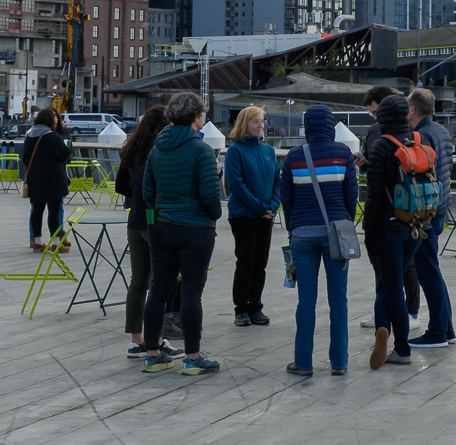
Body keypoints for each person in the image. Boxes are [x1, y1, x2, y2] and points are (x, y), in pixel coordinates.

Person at [141, 93, 222, 375]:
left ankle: (153, 354)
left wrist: (162, 211)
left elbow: (147, 193)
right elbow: (211, 195)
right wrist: (213, 215)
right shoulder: (201, 150)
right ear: (196, 117)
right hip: (195, 229)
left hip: (161, 227)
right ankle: (192, 357)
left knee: (158, 290)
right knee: (191, 293)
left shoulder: (156, 149)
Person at [281, 104, 356, 377]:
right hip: (336, 233)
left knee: (306, 301)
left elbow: (286, 199)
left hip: (302, 234)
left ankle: (303, 363)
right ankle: (339, 362)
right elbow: (352, 196)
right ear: (331, 125)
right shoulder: (343, 154)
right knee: (339, 299)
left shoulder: (294, 157)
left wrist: (293, 228)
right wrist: (344, 221)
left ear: (306, 125)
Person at [363, 93, 425, 367]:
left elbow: (374, 196)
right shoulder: (419, 142)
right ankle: (383, 329)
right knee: (390, 282)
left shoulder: (381, 147)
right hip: (417, 227)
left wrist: (368, 231)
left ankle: (400, 347)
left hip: (387, 229)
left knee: (389, 287)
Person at [114, 106, 174, 356]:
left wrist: (137, 196)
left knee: (138, 282)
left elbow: (120, 187)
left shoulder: (132, 151)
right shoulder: (159, 153)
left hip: (135, 220)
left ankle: (135, 339)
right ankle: (156, 339)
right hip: (156, 221)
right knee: (159, 282)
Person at [405, 88, 456, 350]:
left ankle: (437, 331)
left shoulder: (420, 135)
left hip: (427, 210)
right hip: (442, 205)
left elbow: (420, 174)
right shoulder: (441, 130)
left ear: (412, 110)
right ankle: (446, 328)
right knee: (432, 269)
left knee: (428, 271)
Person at [222, 105, 281, 327]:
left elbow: (278, 180)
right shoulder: (236, 151)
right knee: (245, 262)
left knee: (260, 262)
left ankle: (256, 306)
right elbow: (236, 185)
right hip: (244, 216)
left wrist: (273, 205)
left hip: (266, 214)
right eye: (255, 121)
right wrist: (260, 207)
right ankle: (241, 309)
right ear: (244, 124)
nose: (260, 125)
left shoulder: (267, 151)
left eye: (262, 121)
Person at [20, 107, 73, 252]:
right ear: (50, 121)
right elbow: (65, 154)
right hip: (53, 179)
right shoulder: (51, 136)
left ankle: (37, 241)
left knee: (37, 209)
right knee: (54, 210)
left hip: (35, 178)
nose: (57, 121)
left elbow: (24, 157)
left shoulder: (29, 136)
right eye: (55, 119)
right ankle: (56, 242)